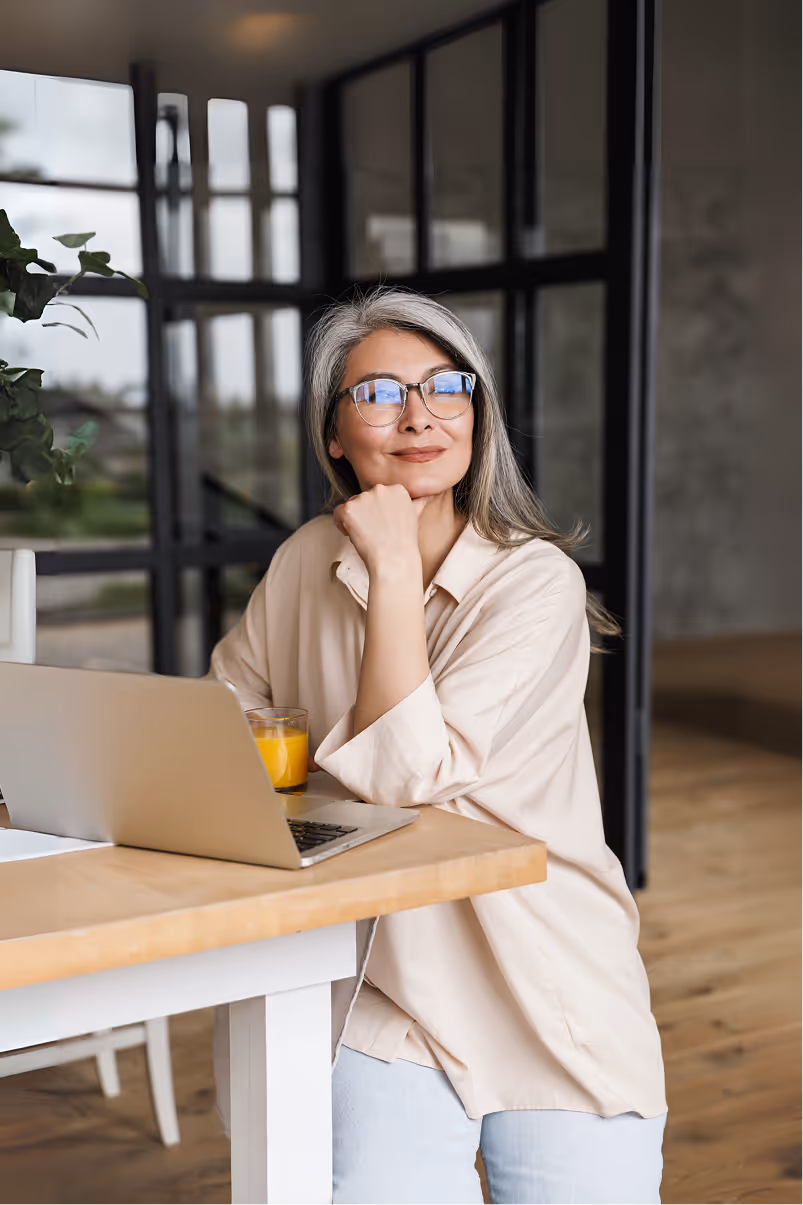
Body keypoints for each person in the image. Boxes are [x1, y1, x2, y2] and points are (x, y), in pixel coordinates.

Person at [210, 288, 667, 1204]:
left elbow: (404, 777)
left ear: (476, 415)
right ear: (333, 433)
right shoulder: (303, 560)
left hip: (538, 969)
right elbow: (228, 727)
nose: (419, 414)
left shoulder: (533, 583)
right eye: (378, 391)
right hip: (375, 968)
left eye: (446, 385)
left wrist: (386, 564)